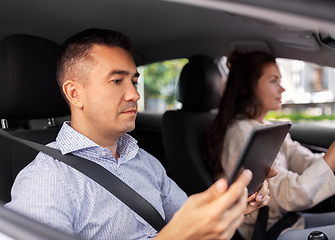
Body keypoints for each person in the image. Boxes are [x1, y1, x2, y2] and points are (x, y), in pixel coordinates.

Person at [5, 28, 273, 240]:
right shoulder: (47, 180)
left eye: (134, 81)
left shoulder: (144, 161)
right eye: (116, 80)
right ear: (75, 93)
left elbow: (190, 222)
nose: (135, 94)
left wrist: (231, 206)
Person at [204, 50, 335, 240]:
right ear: (249, 87)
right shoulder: (242, 133)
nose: (282, 88)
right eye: (273, 80)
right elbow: (295, 193)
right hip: (268, 232)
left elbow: (310, 162)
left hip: (289, 221)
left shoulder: (266, 127)